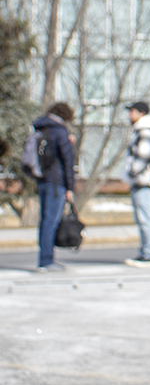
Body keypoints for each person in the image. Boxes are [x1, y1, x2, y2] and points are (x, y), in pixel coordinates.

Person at [32, 102, 77, 273]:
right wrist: (70, 187)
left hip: (42, 180)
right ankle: (46, 261)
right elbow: (67, 160)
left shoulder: (40, 128)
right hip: (56, 181)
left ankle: (44, 258)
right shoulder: (60, 131)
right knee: (51, 220)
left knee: (45, 220)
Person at [122, 100, 150, 267]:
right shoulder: (143, 129)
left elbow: (143, 156)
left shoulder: (146, 130)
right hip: (142, 181)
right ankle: (146, 251)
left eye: (132, 111)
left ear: (140, 113)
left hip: (145, 181)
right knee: (142, 218)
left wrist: (131, 172)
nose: (129, 115)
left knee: (146, 218)